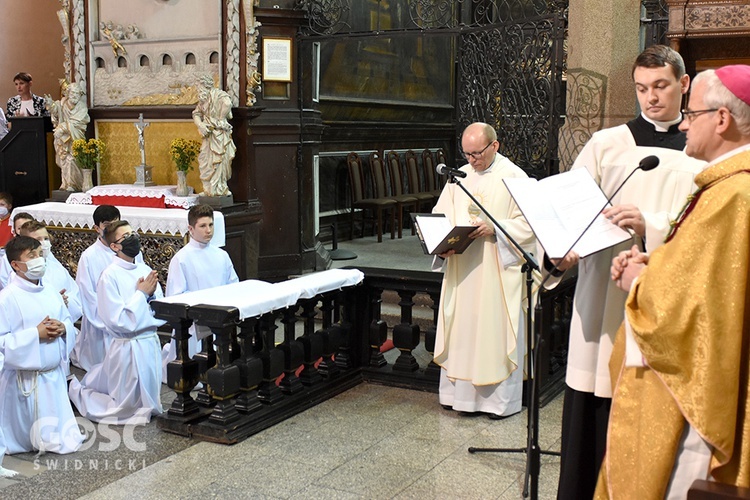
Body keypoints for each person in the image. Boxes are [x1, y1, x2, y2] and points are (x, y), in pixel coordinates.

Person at [548, 46, 707, 500]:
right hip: (602, 294)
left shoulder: (703, 149)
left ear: (684, 84)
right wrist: (558, 251)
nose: (650, 98)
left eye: (660, 86)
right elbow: (568, 212)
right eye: (641, 88)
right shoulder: (607, 144)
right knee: (595, 396)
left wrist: (651, 227)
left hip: (668, 298)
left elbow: (713, 224)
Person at [601, 64, 750, 498]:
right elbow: (716, 281)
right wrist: (659, 262)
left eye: (693, 113)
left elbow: (697, 309)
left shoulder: (733, 194)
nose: (684, 122)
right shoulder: (728, 186)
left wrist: (639, 281)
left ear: (721, 120)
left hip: (692, 400)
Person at [432, 122, 535, 419]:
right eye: (467, 154)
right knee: (464, 331)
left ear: (495, 146)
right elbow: (441, 215)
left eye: (477, 153)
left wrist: (496, 229)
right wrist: (442, 244)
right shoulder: (458, 178)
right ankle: (460, 398)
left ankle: (497, 403)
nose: (472, 160)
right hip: (463, 269)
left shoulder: (515, 177)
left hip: (496, 271)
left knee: (492, 332)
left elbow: (530, 224)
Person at [69, 221, 165, 424]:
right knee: (125, 406)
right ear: (114, 246)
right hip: (127, 345)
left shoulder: (144, 267)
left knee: (148, 399)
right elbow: (117, 320)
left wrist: (150, 297)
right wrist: (141, 295)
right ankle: (78, 394)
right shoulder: (109, 276)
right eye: (126, 237)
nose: (133, 239)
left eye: (133, 234)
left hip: (148, 339)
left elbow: (158, 308)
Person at [0, 236, 83, 455]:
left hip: (52, 375)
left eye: (39, 254)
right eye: (31, 256)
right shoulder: (6, 298)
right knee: (21, 440)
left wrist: (63, 328)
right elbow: (1, 343)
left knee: (59, 435)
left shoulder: (50, 291)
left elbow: (66, 319)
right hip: (24, 380)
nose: (39, 259)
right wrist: (35, 334)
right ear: (16, 265)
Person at [160, 204, 238, 382]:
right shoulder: (182, 258)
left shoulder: (221, 255)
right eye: (202, 226)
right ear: (191, 229)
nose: (208, 230)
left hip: (219, 318)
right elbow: (176, 296)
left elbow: (233, 284)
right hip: (194, 324)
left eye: (210, 225)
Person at [73, 205, 142, 371]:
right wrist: (111, 322)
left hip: (130, 316)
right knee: (107, 369)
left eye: (116, 223)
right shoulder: (89, 257)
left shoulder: (131, 249)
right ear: (97, 228)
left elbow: (138, 276)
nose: (112, 228)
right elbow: (87, 294)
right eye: (107, 225)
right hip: (103, 324)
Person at [19, 220, 82, 330]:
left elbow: (75, 293)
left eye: (46, 238)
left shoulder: (56, 267)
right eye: (38, 240)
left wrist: (66, 301)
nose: (44, 243)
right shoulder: (22, 271)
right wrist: (54, 301)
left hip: (61, 325)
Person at [193, 74, 236, 197]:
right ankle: (208, 189)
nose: (197, 89)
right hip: (208, 136)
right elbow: (196, 113)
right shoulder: (203, 99)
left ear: (205, 85)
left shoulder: (219, 95)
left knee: (219, 160)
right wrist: (200, 125)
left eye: (198, 86)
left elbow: (227, 103)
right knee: (205, 161)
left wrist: (220, 118)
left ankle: (219, 188)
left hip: (219, 134)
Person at [46, 81, 90, 191]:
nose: (74, 96)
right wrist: (51, 105)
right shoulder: (62, 104)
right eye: (72, 93)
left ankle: (75, 184)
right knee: (64, 160)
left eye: (77, 94)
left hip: (75, 137)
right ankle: (65, 183)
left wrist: (62, 128)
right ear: (68, 93)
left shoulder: (82, 107)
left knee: (73, 159)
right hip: (63, 140)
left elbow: (78, 122)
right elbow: (56, 112)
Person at [0, 212, 35, 290]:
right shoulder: (8, 256)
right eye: (19, 228)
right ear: (14, 231)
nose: (24, 231)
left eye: (27, 227)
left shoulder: (42, 250)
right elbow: (4, 280)